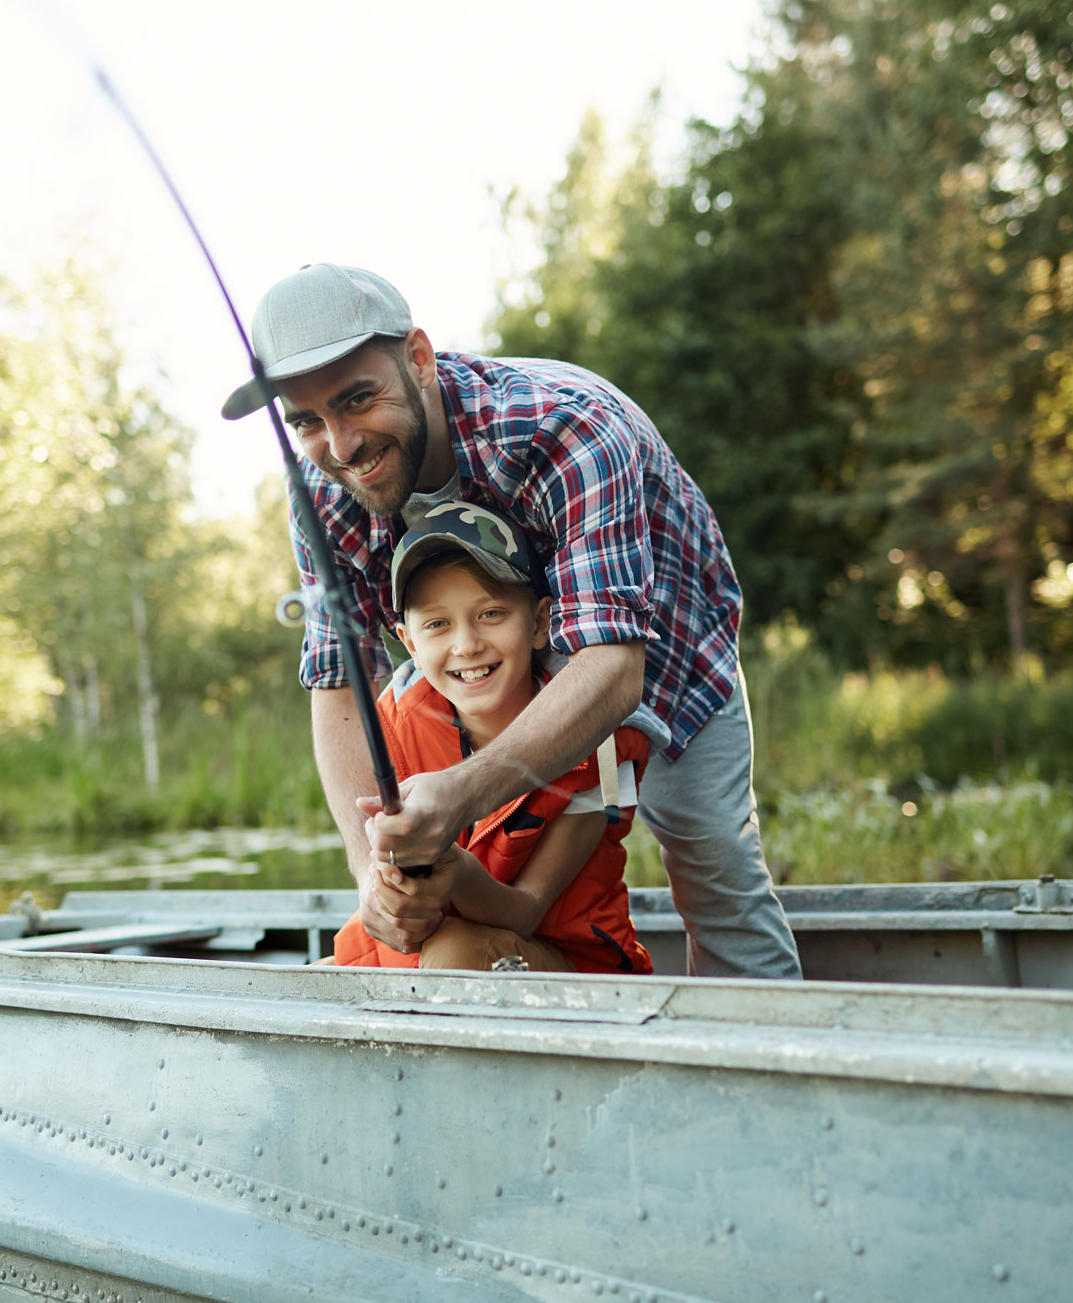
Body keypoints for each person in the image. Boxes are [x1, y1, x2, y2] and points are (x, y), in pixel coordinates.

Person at [222, 262, 801, 979]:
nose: (340, 446)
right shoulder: (323, 488)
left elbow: (613, 669)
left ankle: (772, 1074)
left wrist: (465, 788)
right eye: (307, 420)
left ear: (420, 359)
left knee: (714, 864)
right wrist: (365, 864)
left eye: (358, 398)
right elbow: (338, 678)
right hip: (491, 657)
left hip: (662, 651)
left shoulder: (566, 425)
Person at [328, 501, 660, 973]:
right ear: (410, 644)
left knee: (454, 953)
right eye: (437, 624)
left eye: (491, 613)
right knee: (317, 978)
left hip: (567, 965)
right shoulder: (390, 728)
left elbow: (526, 909)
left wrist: (457, 874)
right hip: (419, 957)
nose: (466, 644)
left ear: (541, 623)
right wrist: (392, 897)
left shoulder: (598, 740)